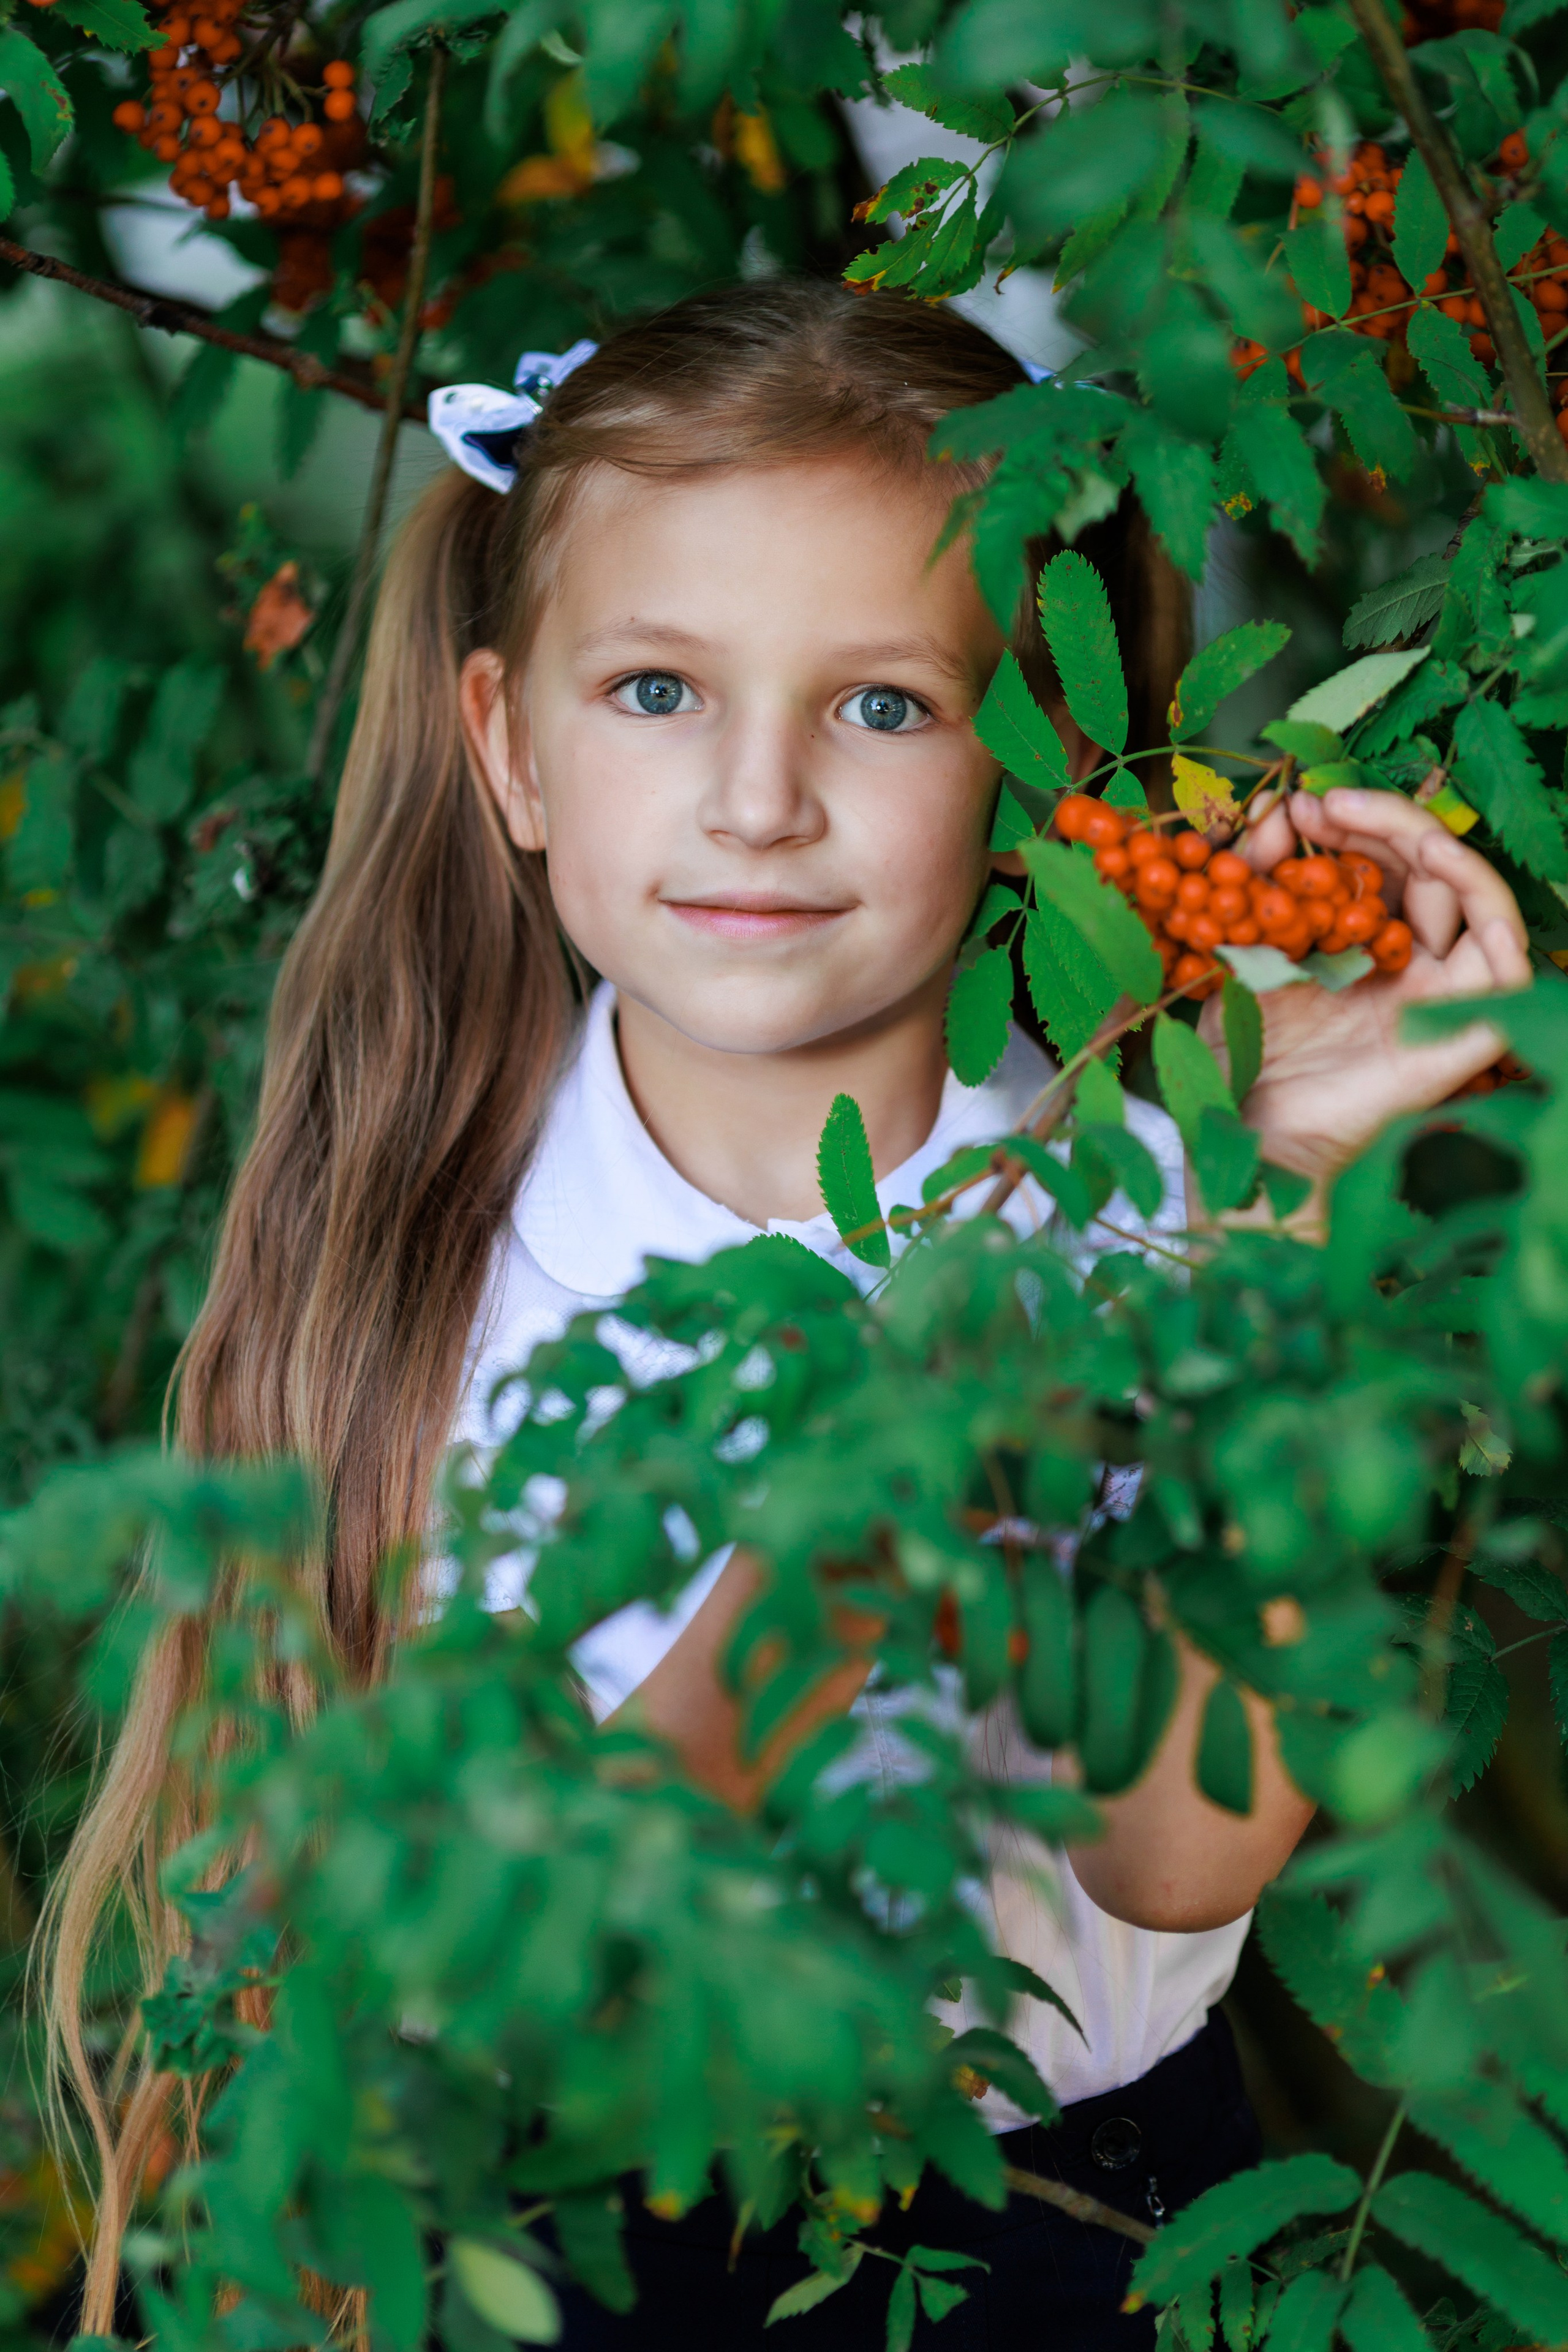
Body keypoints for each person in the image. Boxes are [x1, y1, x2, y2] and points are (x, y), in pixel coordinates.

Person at [44, 280, 1531, 2350]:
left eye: (885, 706)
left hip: (1079, 2231)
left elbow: (1183, 1862)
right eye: (658, 690)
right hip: (564, 2241)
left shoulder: (1155, 1216)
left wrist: (1285, 1191)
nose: (758, 799)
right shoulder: (431, 1272)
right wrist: (882, 1504)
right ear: (512, 747)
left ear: (1040, 767)